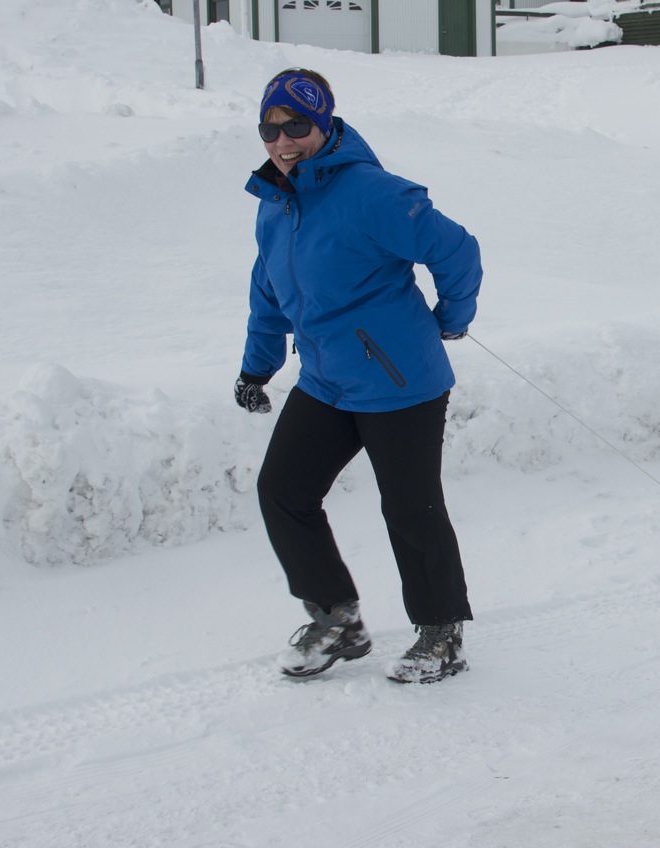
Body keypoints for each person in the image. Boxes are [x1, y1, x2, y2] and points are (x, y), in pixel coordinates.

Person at [233, 69, 482, 684]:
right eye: (271, 127)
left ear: (325, 123)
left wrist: (451, 319)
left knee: (410, 506)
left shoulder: (372, 191)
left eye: (297, 125)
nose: (283, 140)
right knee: (284, 490)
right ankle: (337, 618)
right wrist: (256, 366)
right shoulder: (276, 201)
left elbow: (457, 250)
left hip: (399, 380)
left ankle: (441, 634)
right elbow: (268, 291)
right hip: (326, 380)